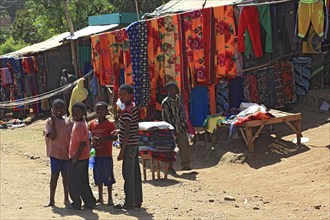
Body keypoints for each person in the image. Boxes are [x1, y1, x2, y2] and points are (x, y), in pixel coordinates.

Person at [114, 84, 143, 210]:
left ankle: (129, 202)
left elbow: (126, 133)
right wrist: (118, 131)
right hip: (134, 144)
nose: (121, 97)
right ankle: (137, 200)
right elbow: (129, 128)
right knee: (135, 172)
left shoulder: (127, 111)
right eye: (120, 95)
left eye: (124, 95)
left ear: (131, 95)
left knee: (128, 174)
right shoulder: (133, 107)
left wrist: (122, 150)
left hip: (129, 145)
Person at [44, 99, 73, 207]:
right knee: (54, 177)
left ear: (65, 109)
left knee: (66, 177)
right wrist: (54, 123)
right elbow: (52, 136)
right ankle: (51, 199)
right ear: (52, 109)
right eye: (56, 108)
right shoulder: (49, 122)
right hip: (55, 154)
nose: (59, 110)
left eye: (61, 107)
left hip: (66, 154)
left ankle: (66, 198)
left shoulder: (68, 122)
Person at [68, 102, 96, 210]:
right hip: (83, 158)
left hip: (79, 158)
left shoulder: (79, 125)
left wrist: (75, 157)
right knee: (83, 181)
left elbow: (82, 143)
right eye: (73, 112)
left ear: (83, 113)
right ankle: (89, 202)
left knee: (74, 181)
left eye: (77, 112)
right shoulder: (81, 122)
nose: (75, 114)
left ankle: (76, 203)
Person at [89, 101, 117, 206]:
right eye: (97, 110)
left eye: (102, 110)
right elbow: (89, 136)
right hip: (96, 155)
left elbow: (114, 137)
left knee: (108, 176)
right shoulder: (92, 124)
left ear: (106, 111)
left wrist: (102, 139)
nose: (99, 112)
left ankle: (110, 198)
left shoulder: (110, 124)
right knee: (98, 177)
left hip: (106, 155)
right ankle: (100, 197)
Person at [161, 82, 192, 172]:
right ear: (169, 91)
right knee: (170, 150)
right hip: (171, 130)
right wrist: (171, 130)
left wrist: (184, 125)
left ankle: (186, 165)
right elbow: (166, 118)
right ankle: (170, 167)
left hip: (181, 128)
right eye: (174, 88)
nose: (176, 90)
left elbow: (182, 113)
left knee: (185, 146)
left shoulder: (179, 100)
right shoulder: (165, 103)